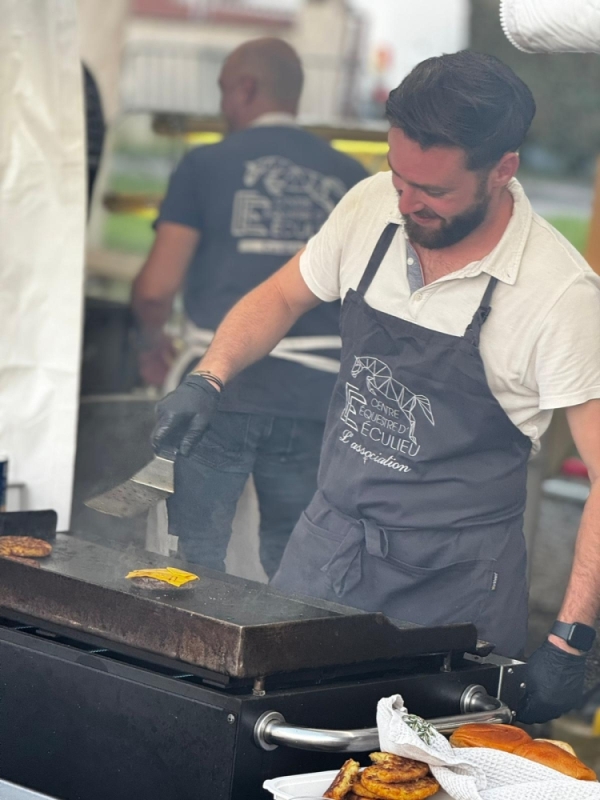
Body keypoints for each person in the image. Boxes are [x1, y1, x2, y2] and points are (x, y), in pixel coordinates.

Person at [152, 50, 600, 724]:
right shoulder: (370, 209)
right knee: (279, 742)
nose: (408, 203)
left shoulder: (558, 296)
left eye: (435, 191)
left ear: (502, 169)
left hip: (448, 596)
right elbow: (279, 296)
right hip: (325, 552)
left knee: (410, 779)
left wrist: (572, 639)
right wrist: (208, 377)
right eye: (399, 178)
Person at [132, 38, 368, 577]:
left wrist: (150, 347)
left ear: (245, 88)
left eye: (223, 92)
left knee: (194, 562)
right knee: (295, 563)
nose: (222, 106)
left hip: (219, 395)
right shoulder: (352, 179)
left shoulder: (204, 165)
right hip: (314, 398)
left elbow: (154, 289)